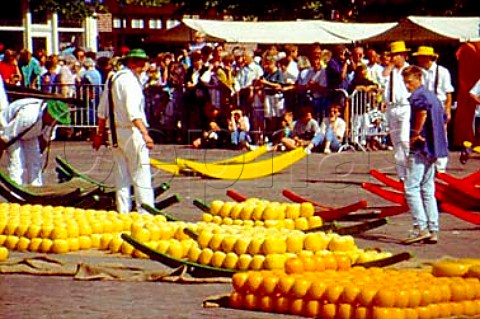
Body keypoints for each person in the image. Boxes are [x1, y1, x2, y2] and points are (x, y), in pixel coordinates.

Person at [93, 48, 155, 214]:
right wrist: (145, 134)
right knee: (141, 173)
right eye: (142, 64)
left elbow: (102, 110)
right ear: (133, 63)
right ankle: (146, 213)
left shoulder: (112, 78)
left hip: (114, 132)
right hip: (131, 131)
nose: (144, 68)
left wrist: (100, 133)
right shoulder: (130, 82)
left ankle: (123, 211)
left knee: (121, 175)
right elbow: (133, 111)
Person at [401, 65, 448, 244]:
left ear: (418, 78)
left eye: (410, 81)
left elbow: (421, 113)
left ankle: (420, 227)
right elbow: (443, 119)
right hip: (434, 147)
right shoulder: (432, 96)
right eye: (405, 82)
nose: (407, 85)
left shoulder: (419, 96)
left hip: (422, 146)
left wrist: (414, 134)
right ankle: (433, 228)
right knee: (428, 188)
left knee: (411, 188)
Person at [0, 98, 71, 186]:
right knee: (17, 161)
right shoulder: (29, 116)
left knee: (35, 162)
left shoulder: (52, 124)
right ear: (49, 113)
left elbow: (44, 142)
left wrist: (37, 157)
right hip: (9, 127)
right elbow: (6, 136)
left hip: (28, 132)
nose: (56, 122)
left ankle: (36, 187)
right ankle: (15, 191)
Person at [413, 46, 454, 173]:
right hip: (425, 105)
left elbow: (448, 92)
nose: (418, 59)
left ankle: (441, 167)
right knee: (426, 134)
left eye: (421, 56)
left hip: (438, 105)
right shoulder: (419, 71)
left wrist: (448, 109)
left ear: (428, 57)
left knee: (441, 134)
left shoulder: (442, 72)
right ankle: (428, 161)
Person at [380, 41, 411, 181]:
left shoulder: (410, 70)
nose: (394, 57)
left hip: (405, 107)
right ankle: (402, 174)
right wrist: (390, 66)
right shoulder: (390, 71)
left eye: (397, 55)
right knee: (396, 142)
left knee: (405, 140)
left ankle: (412, 170)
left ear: (404, 55)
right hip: (392, 107)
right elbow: (382, 79)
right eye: (393, 55)